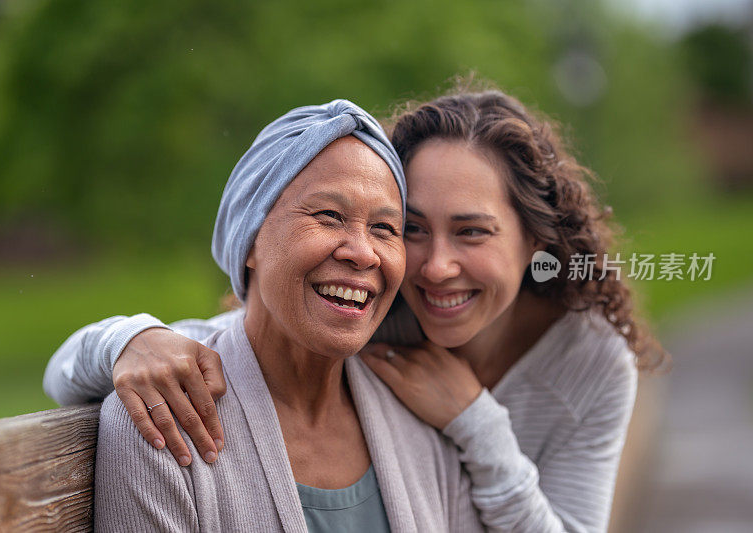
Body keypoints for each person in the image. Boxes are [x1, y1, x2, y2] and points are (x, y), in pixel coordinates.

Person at [46, 84, 660, 532]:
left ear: (535, 243)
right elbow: (236, 336)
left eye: (472, 232)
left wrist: (477, 422)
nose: (436, 266)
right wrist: (127, 339)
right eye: (413, 229)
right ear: (253, 237)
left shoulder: (584, 361)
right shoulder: (375, 326)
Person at [90, 99, 486, 531]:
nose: (362, 252)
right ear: (251, 239)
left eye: (384, 228)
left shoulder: (419, 419)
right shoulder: (161, 415)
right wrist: (123, 339)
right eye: (329, 216)